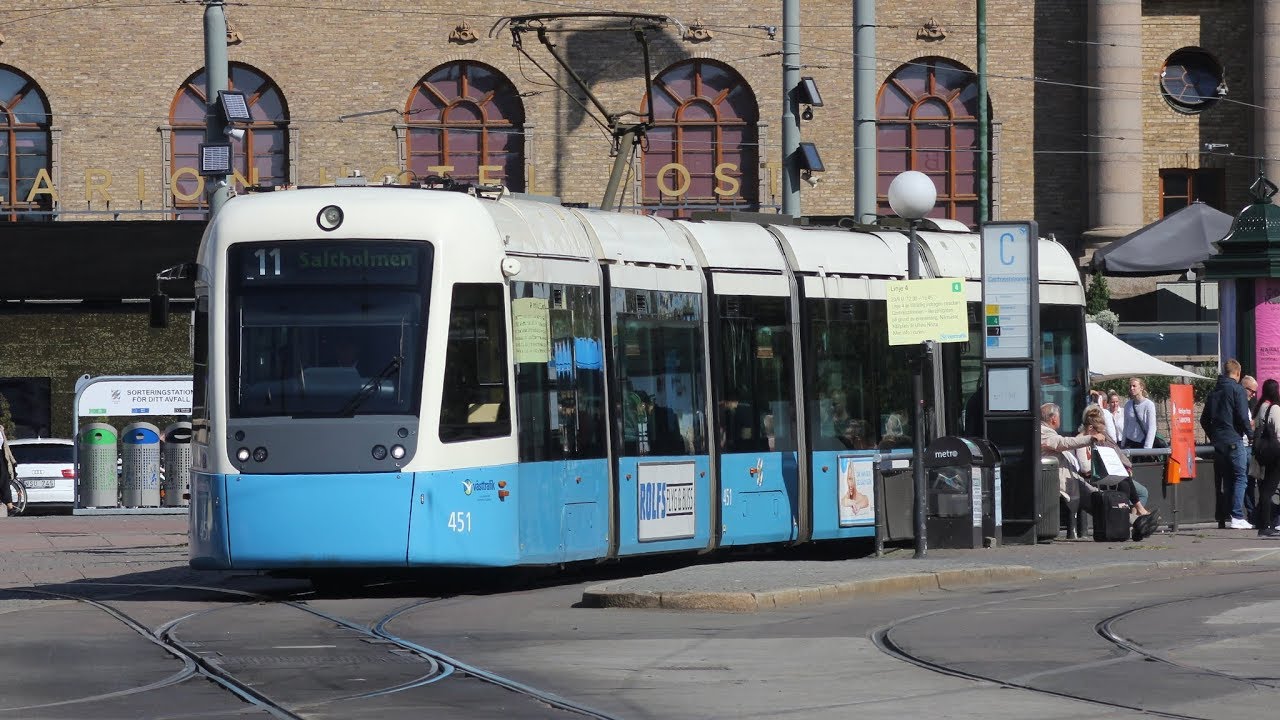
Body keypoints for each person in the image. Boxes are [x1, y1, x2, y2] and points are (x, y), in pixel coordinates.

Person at [1201, 359, 1254, 529]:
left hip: (1219, 443)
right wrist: (1251, 435)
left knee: (1227, 479)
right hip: (1233, 440)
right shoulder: (1237, 389)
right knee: (1240, 477)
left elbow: (1203, 420)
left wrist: (1214, 436)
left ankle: (1226, 516)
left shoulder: (1214, 392)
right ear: (1237, 373)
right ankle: (1237, 515)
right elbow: (1242, 416)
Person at [1076, 405, 1151, 516]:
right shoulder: (1081, 440)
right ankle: (1133, 514)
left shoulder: (1101, 436)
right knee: (1124, 482)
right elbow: (1085, 468)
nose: (1101, 434)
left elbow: (1114, 452)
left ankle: (1131, 515)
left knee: (1126, 481)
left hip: (1107, 474)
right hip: (1095, 477)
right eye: (1098, 431)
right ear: (1091, 428)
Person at [1040, 402, 1106, 509]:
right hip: (1059, 490)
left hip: (1070, 484)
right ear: (1054, 419)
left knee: (1102, 501)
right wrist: (1091, 438)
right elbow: (1063, 443)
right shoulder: (1043, 433)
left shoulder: (1047, 432)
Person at [1253, 379, 1280, 537]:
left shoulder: (1260, 407)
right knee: (1269, 489)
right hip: (1276, 452)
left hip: (1263, 451)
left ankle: (1264, 523)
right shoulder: (1275, 408)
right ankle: (1266, 525)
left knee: (1265, 488)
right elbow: (1278, 432)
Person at [1121, 377, 1158, 450]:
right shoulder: (1128, 405)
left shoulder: (1149, 405)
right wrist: (1122, 444)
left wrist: (1147, 448)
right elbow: (1126, 425)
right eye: (1130, 386)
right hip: (1129, 442)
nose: (1131, 388)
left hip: (1142, 442)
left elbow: (1152, 427)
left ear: (1141, 388)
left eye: (1134, 386)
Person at [0, 394, 18, 515]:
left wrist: (12, 459)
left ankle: (10, 506)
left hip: (1, 456)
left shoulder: (0, 429)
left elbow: (5, 446)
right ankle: (9, 506)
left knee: (4, 479)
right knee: (3, 479)